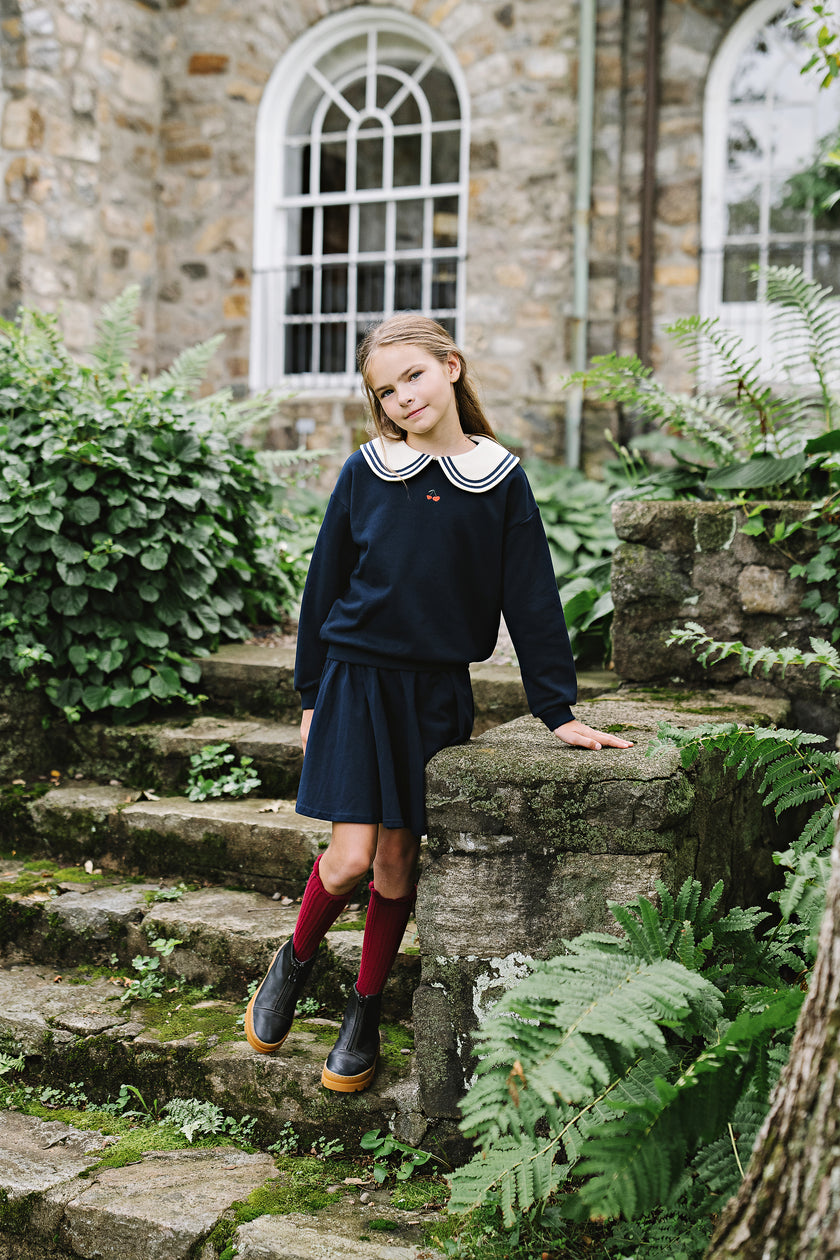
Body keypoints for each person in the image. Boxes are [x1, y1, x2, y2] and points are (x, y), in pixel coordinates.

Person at [245, 313, 633, 1093]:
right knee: (351, 858)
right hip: (355, 680)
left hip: (433, 692)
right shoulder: (367, 470)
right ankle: (296, 957)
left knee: (397, 862)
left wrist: (558, 711)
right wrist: (311, 693)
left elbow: (532, 598)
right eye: (386, 391)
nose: (402, 398)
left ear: (450, 367)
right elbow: (323, 586)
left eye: (413, 376)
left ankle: (363, 1010)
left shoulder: (499, 479)